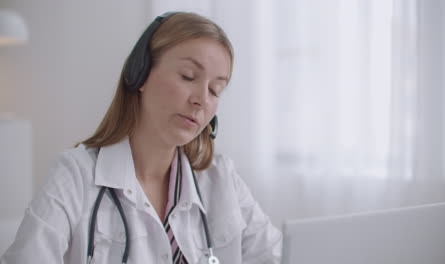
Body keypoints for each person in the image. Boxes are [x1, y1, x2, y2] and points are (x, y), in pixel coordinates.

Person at [0, 11, 282, 264]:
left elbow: (280, 256)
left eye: (215, 90)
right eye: (188, 76)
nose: (201, 100)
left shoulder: (221, 179)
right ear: (140, 74)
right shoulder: (74, 176)